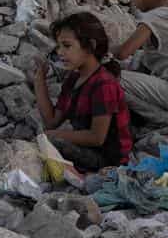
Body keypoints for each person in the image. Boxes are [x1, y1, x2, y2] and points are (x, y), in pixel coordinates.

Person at [32, 12, 133, 170]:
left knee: (48, 142)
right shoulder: (73, 79)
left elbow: (97, 137)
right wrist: (39, 80)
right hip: (89, 150)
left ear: (90, 46)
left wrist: (53, 136)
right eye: (58, 47)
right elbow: (51, 121)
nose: (60, 52)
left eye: (67, 46)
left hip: (108, 160)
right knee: (45, 141)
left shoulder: (104, 84)